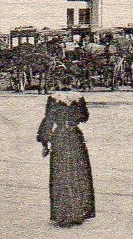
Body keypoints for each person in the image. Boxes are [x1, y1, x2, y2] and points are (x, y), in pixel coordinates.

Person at [37, 94, 96, 227]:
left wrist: (45, 144)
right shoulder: (78, 98)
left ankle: (63, 213)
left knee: (62, 173)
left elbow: (48, 120)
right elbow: (85, 116)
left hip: (60, 137)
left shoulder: (54, 98)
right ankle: (79, 210)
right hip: (75, 137)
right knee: (77, 173)